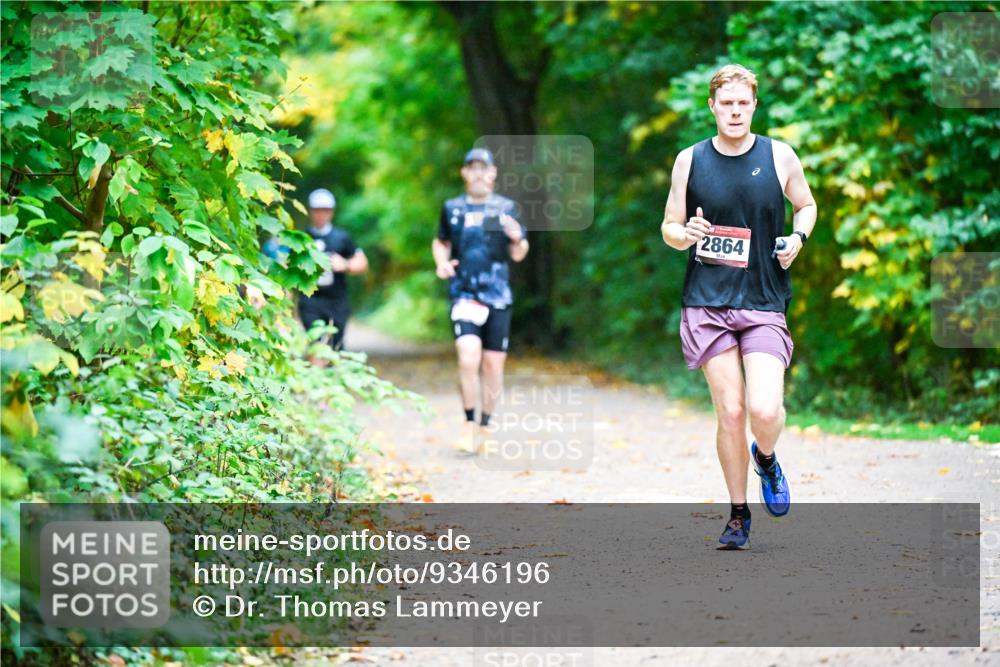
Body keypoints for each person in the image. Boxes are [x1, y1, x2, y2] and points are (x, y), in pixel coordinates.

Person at [660, 64, 817, 549]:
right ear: (712, 106)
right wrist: (683, 235)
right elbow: (669, 226)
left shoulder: (780, 155)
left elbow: (806, 206)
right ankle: (737, 514)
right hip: (707, 302)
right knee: (729, 411)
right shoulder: (690, 160)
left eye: (742, 103)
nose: (733, 111)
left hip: (764, 299)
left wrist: (797, 237)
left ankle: (765, 458)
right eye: (725, 103)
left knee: (763, 409)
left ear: (754, 106)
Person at [432, 148, 529, 454]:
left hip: (498, 295)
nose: (477, 173)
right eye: (471, 167)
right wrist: (441, 262)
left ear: (493, 173)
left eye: (482, 168)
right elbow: (441, 241)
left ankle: (486, 426)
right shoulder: (452, 208)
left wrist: (517, 239)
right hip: (464, 292)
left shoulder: (506, 208)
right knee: (468, 355)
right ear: (464, 173)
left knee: (491, 364)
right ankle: (468, 423)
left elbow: (519, 253)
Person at [298, 188, 368, 354]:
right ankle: (316, 377)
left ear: (332, 212)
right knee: (316, 343)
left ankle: (333, 376)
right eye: (317, 210)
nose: (321, 214)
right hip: (310, 300)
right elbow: (286, 266)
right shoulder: (300, 238)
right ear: (310, 211)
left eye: (325, 210)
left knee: (336, 345)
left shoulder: (342, 237)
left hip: (337, 301)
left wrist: (345, 264)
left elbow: (362, 263)